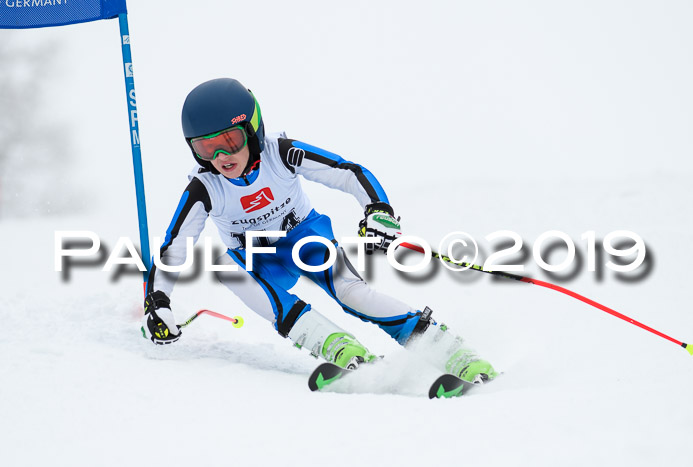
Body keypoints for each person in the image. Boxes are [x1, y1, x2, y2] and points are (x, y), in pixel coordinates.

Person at [141, 78, 496, 383]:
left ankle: (456, 355)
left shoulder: (279, 153)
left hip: (305, 238)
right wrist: (157, 303)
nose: (221, 155)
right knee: (224, 267)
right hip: (259, 260)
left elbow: (347, 172)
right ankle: (337, 347)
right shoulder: (205, 188)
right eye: (206, 147)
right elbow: (174, 248)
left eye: (231, 140)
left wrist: (378, 211)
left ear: (252, 128)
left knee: (352, 294)